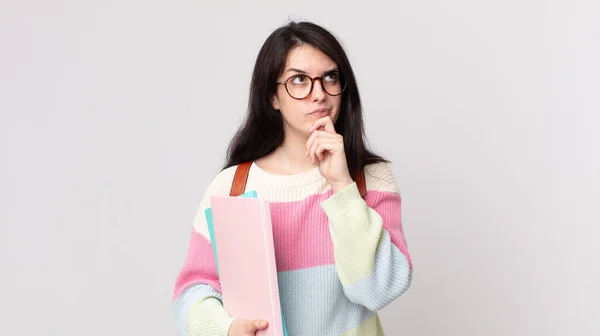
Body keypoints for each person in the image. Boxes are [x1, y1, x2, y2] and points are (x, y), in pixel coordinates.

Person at [172, 20, 413, 336]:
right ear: (273, 96)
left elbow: (377, 290)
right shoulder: (233, 187)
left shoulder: (370, 179)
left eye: (330, 77)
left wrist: (342, 186)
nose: (319, 94)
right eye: (299, 80)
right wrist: (226, 329)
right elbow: (191, 293)